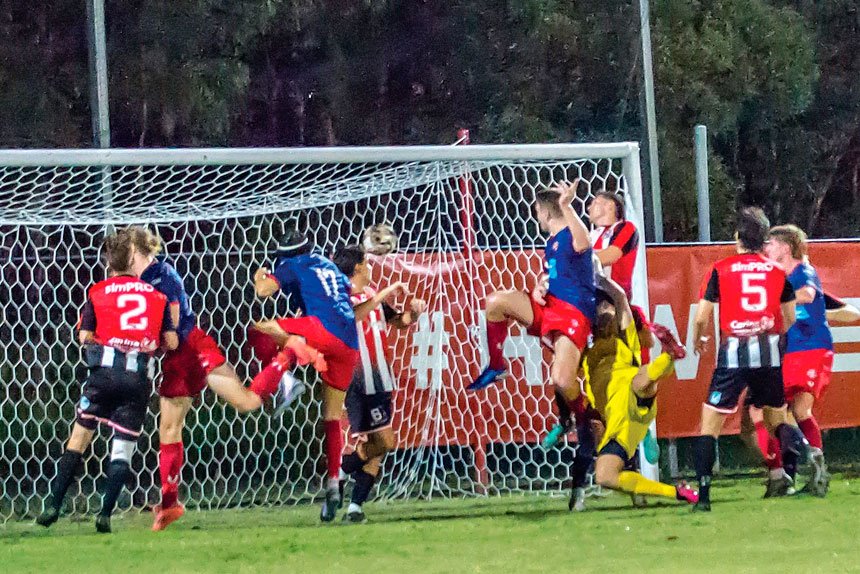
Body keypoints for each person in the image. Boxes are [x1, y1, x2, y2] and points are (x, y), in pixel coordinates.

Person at [124, 226, 267, 531]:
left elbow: (173, 329)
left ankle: (285, 360)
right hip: (180, 355)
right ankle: (169, 503)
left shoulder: (161, 276)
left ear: (135, 251)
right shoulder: (143, 278)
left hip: (190, 348)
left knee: (246, 403)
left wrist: (146, 342)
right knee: (169, 427)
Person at [36, 229, 178, 533]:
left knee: (78, 439)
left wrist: (106, 339)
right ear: (132, 260)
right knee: (121, 450)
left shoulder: (98, 292)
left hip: (102, 376)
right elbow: (171, 341)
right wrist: (147, 343)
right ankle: (104, 515)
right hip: (137, 380)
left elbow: (84, 335)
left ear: (109, 263)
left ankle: (52, 505)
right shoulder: (158, 297)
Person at [690, 207, 804, 511]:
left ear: (738, 236)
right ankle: (785, 471)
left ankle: (703, 496)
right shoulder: (777, 272)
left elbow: (702, 316)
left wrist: (698, 338)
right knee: (776, 417)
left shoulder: (721, 268)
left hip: (734, 356)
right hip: (768, 355)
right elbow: (790, 319)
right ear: (764, 238)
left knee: (710, 424)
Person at [468, 180, 596, 439]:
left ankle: (584, 417)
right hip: (549, 308)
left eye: (537, 210)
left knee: (561, 380)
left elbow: (584, 244)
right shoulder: (551, 243)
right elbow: (558, 272)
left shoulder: (571, 232)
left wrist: (567, 206)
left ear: (546, 212)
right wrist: (541, 284)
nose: (536, 216)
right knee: (495, 302)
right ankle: (496, 365)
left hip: (574, 315)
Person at [249, 229, 360, 522]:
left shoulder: (291, 265)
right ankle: (334, 484)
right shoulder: (328, 266)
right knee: (332, 417)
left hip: (324, 329)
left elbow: (264, 291)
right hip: (350, 343)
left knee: (262, 328)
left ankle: (286, 380)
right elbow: (339, 300)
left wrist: (260, 275)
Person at [574, 273, 697, 510]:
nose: (602, 311)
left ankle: (670, 355)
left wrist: (596, 276)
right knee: (605, 476)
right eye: (597, 307)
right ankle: (678, 493)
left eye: (604, 306)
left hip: (633, 393)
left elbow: (619, 297)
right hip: (617, 423)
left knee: (641, 380)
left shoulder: (624, 335)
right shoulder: (583, 349)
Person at [333, 245, 425, 523]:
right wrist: (387, 291)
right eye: (367, 263)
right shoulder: (341, 298)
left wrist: (414, 314)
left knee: (377, 446)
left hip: (382, 379)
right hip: (360, 381)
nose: (372, 268)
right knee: (384, 441)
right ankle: (337, 477)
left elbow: (397, 321)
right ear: (358, 268)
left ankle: (354, 508)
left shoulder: (372, 295)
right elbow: (356, 315)